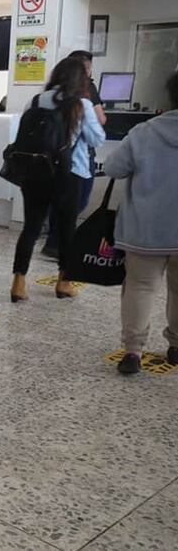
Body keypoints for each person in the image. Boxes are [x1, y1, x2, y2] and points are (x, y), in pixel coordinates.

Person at [10, 57, 105, 303]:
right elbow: (96, 139)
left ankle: (18, 282)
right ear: (80, 80)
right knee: (66, 229)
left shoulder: (37, 100)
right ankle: (64, 281)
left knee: (31, 228)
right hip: (68, 173)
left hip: (34, 171)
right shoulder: (82, 104)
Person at [106, 72, 178, 374]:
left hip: (144, 230)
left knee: (140, 287)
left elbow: (113, 167)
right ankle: (175, 347)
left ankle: (133, 352)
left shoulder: (144, 131)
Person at [41, 50, 109, 260]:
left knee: (35, 222)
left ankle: (21, 278)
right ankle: (64, 274)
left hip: (41, 166)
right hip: (73, 165)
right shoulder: (84, 101)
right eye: (87, 69)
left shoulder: (39, 99)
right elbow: (98, 134)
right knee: (74, 208)